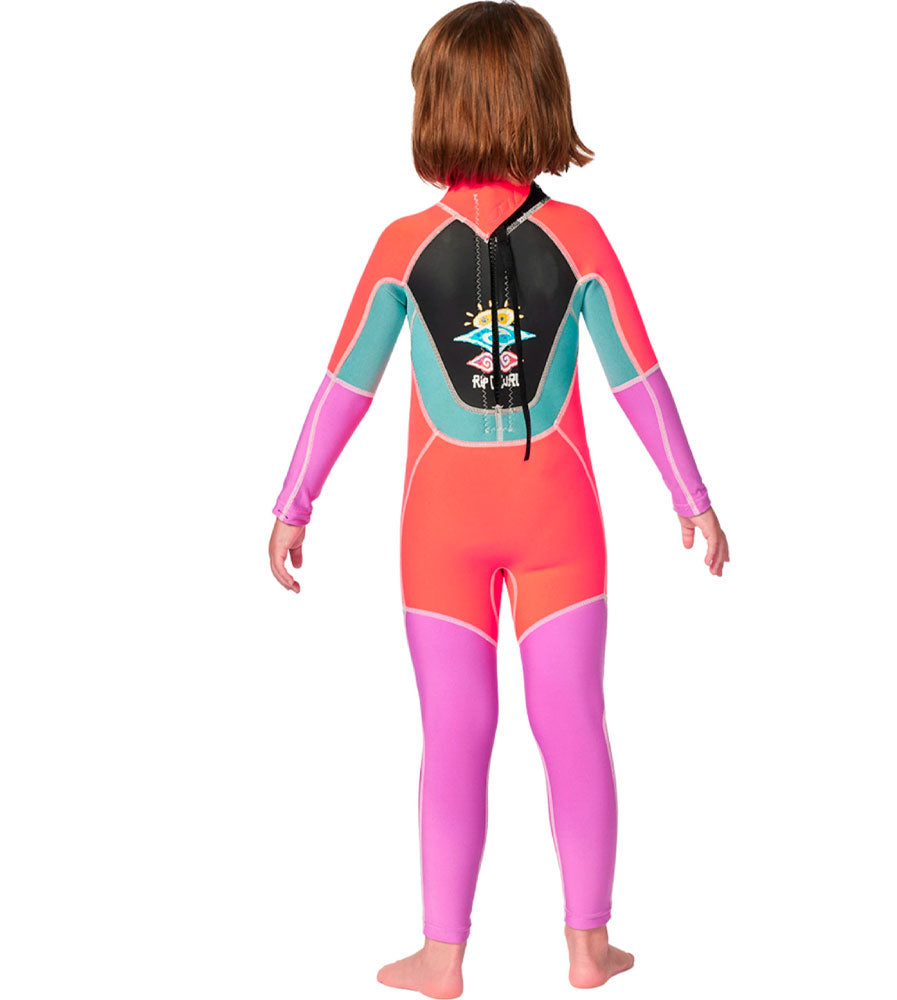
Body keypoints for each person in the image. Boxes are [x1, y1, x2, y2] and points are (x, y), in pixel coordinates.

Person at [268, 2, 730, 995]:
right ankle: (587, 949)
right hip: (561, 522)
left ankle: (443, 958)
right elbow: (639, 378)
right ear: (544, 102)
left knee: (453, 734)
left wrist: (293, 502)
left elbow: (344, 385)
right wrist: (691, 496)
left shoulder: (402, 244)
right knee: (573, 726)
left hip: (440, 531)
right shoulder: (579, 235)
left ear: (434, 107)